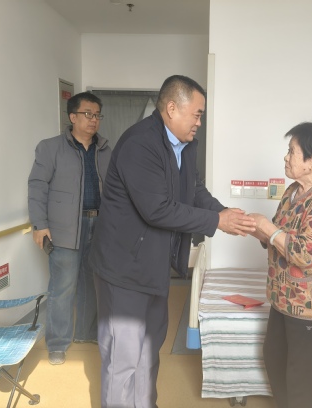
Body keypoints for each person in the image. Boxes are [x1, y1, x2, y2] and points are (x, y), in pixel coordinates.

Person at [88, 75, 256, 408]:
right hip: (123, 270)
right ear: (171, 108)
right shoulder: (140, 144)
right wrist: (216, 222)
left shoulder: (185, 145)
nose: (199, 122)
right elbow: (157, 209)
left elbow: (193, 190)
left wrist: (223, 213)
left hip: (154, 266)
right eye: (196, 114)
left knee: (149, 352)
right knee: (123, 358)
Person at [248, 122, 312, 408]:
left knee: (303, 383)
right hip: (284, 299)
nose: (286, 157)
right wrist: (256, 229)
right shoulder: (292, 191)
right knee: (275, 361)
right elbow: (280, 237)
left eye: (292, 151)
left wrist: (268, 228)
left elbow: (306, 253)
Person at [28, 92, 111, 365]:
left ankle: (87, 333)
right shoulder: (50, 148)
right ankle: (57, 343)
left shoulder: (105, 149)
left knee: (92, 283)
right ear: (73, 116)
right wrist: (40, 225)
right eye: (88, 114)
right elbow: (37, 187)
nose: (93, 119)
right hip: (64, 229)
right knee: (62, 287)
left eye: (97, 115)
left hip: (99, 225)